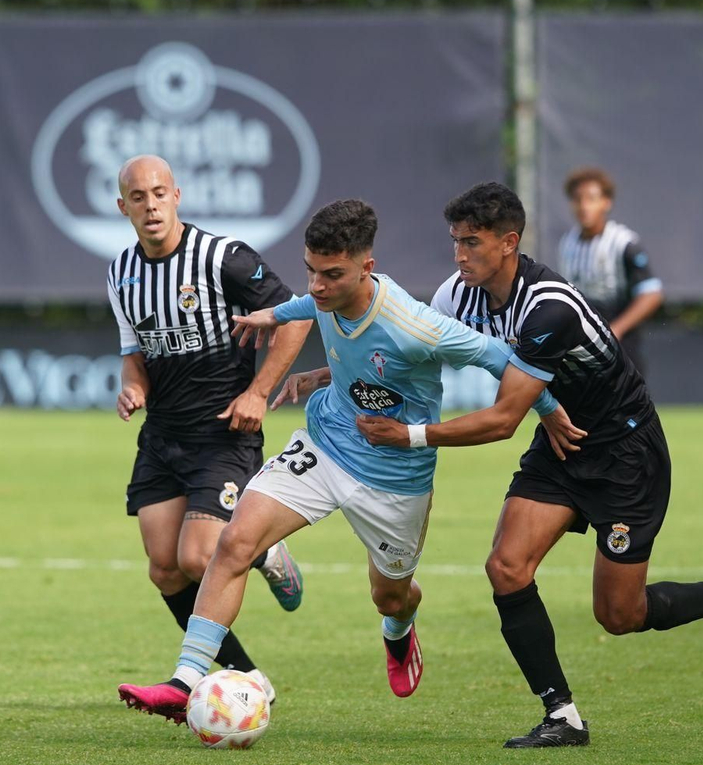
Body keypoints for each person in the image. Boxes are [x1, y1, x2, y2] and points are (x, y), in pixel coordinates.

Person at [116, 198, 581, 722]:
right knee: (235, 541)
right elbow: (303, 305)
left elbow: (501, 359)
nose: (316, 286)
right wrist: (273, 313)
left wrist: (548, 408)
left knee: (389, 595)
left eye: (331, 275)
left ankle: (399, 629)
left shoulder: (415, 326)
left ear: (367, 268)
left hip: (394, 474)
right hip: (324, 443)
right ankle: (186, 678)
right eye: (310, 271)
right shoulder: (322, 293)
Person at [362, 181, 703, 749]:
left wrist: (407, 435)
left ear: (508, 243)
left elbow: (504, 419)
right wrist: (334, 374)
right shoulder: (459, 293)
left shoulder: (547, 306)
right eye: (454, 242)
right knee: (506, 568)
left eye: (471, 243)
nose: (459, 255)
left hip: (625, 451)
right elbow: (413, 353)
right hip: (561, 444)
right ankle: (563, 716)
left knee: (620, 614)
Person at [108, 155, 313, 701]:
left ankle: (260, 552)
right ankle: (249, 678)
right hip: (162, 437)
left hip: (223, 432)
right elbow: (135, 354)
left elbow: (300, 315)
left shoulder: (224, 258)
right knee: (164, 570)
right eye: (137, 196)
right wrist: (134, 387)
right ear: (121, 205)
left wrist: (258, 392)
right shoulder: (120, 273)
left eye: (158, 193)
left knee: (200, 557)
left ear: (177, 196)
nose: (149, 205)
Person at [556, 167, 662, 377]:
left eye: (592, 198)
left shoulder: (623, 243)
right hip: (581, 343)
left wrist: (617, 329)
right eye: (578, 199)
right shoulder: (567, 244)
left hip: (620, 342)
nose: (584, 206)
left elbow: (652, 293)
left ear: (606, 202)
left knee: (627, 405)